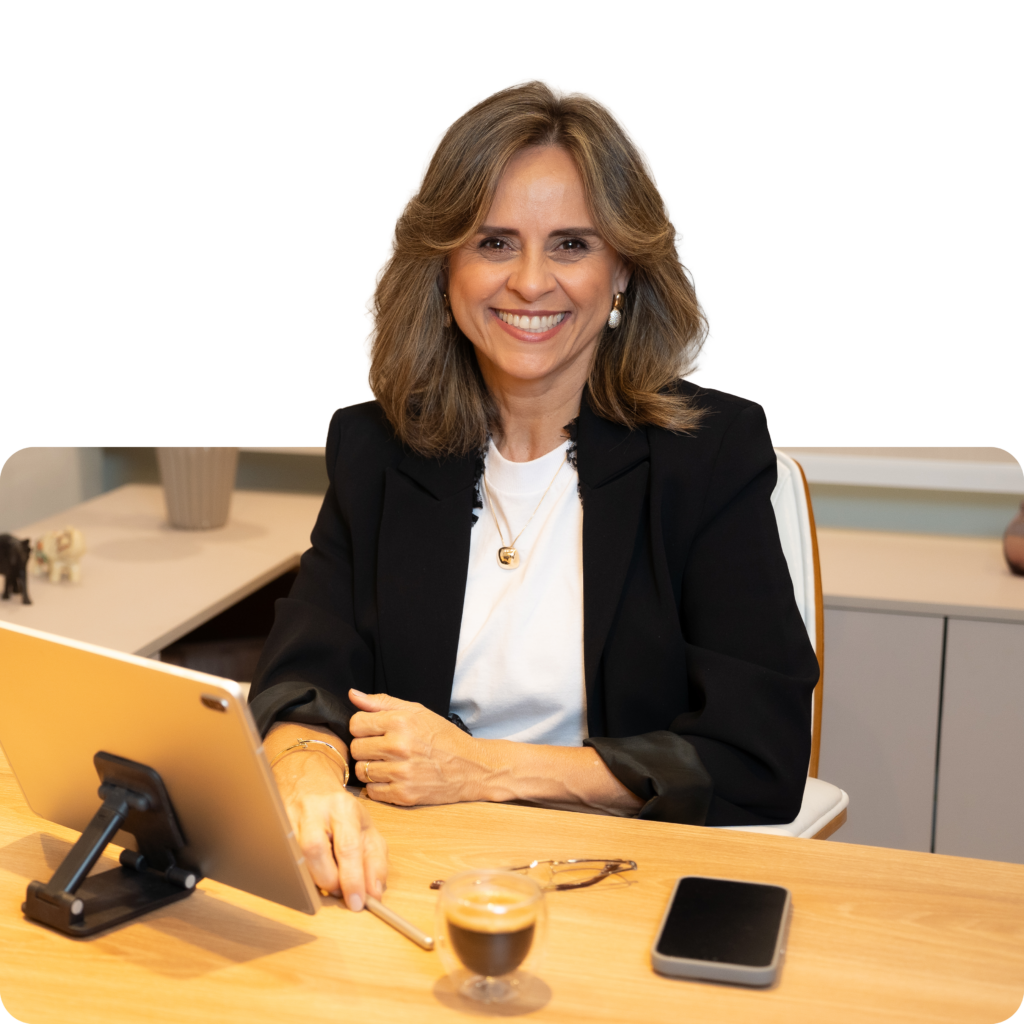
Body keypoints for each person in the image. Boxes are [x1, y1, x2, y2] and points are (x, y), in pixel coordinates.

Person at [249, 77, 819, 914]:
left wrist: (484, 769)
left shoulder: (709, 452)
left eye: (571, 245)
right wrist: (308, 777)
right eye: (493, 242)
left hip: (625, 877)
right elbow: (303, 681)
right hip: (413, 876)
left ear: (622, 270)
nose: (528, 281)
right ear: (445, 265)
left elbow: (758, 754)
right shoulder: (376, 448)